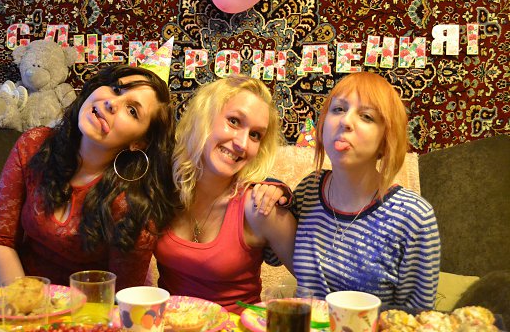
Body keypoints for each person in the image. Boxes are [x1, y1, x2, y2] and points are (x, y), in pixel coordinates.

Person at [0, 65, 178, 290]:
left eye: (132, 111)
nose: (112, 103)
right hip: (16, 291)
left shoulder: (135, 204)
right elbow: (0, 239)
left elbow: (122, 293)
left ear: (139, 143)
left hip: (89, 305)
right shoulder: (33, 145)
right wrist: (23, 302)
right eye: (116, 89)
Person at [293, 71, 440, 308]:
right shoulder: (309, 189)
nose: (345, 121)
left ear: (385, 140)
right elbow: (271, 254)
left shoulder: (414, 217)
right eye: (338, 109)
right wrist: (272, 190)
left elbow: (417, 316)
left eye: (366, 116)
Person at [154, 75, 297, 314]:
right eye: (234, 121)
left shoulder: (259, 205)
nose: (242, 143)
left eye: (255, 135)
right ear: (204, 116)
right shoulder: (161, 187)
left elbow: (317, 280)